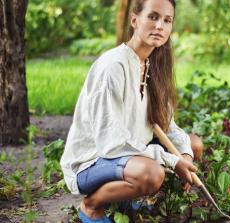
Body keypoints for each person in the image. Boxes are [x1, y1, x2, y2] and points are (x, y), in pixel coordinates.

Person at [60, 0, 204, 222]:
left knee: (193, 144)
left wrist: (183, 154)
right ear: (135, 20)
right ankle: (92, 206)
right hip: (94, 160)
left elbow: (167, 126)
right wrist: (172, 161)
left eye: (167, 20)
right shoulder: (114, 66)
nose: (160, 26)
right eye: (153, 17)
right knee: (152, 173)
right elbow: (111, 143)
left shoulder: (151, 64)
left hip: (129, 154)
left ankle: (130, 200)